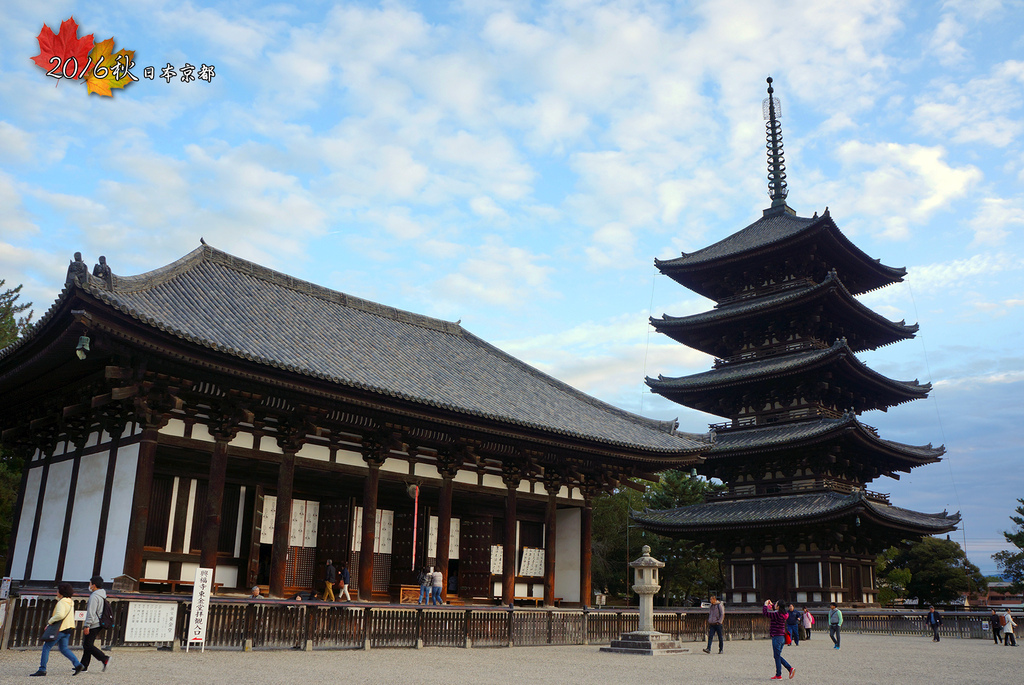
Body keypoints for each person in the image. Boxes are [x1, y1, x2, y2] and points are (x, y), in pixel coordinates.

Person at [31, 583, 84, 676]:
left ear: (61, 592)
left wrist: (50, 621)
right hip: (68, 628)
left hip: (59, 628)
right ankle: (78, 664)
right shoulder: (70, 602)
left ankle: (42, 669)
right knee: (64, 648)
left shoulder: (62, 602)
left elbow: (60, 615)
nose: (57, 592)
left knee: (46, 647)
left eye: (58, 590)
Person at [79, 575, 111, 673]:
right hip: (99, 622)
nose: (89, 585)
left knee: (88, 645)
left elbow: (91, 612)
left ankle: (104, 658)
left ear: (94, 585)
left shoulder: (94, 596)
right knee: (87, 644)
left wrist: (87, 625)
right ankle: (83, 665)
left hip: (94, 623)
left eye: (90, 584)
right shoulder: (102, 595)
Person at [763, 599, 795, 680]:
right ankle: (787, 670)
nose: (775, 604)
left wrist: (765, 605)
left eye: (776, 604)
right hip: (782, 637)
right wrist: (772, 604)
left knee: (777, 656)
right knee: (777, 656)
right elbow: (776, 609)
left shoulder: (777, 615)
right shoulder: (784, 614)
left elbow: (765, 613)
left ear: (779, 606)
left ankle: (781, 673)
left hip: (776, 637)